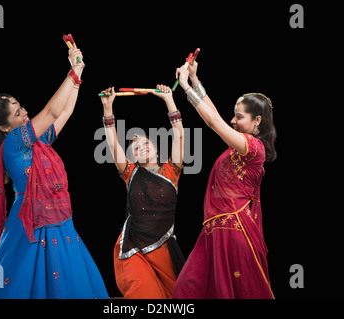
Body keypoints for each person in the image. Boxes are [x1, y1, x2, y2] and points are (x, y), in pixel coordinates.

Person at [0, 47, 108, 299]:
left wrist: (77, 76)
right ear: (3, 126)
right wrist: (72, 73)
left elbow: (64, 112)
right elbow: (52, 111)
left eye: (20, 106)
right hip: (32, 223)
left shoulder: (37, 140)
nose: (23, 110)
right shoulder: (12, 142)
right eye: (16, 111)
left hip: (58, 219)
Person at [172, 62, 277, 299]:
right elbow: (216, 115)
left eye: (239, 117)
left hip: (233, 230)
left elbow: (213, 122)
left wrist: (186, 88)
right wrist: (196, 80)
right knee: (186, 290)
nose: (233, 120)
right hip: (213, 230)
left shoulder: (252, 147)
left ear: (257, 121)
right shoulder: (239, 145)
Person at [100, 85, 185, 299]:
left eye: (146, 143)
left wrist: (169, 100)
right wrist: (108, 109)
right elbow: (113, 145)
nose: (142, 147)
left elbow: (180, 135)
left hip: (162, 249)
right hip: (131, 248)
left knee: (176, 297)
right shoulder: (131, 173)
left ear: (156, 148)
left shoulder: (171, 170)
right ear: (134, 158)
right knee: (143, 294)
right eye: (136, 148)